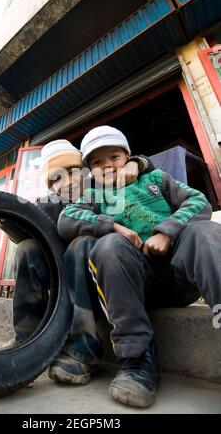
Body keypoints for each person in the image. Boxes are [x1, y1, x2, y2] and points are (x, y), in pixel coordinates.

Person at [57, 125, 221, 408]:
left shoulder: (156, 177)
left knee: (205, 231)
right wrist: (112, 227)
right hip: (133, 285)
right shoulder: (93, 194)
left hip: (178, 277)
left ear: (128, 156)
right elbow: (66, 220)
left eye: (114, 157)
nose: (107, 165)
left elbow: (198, 201)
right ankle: (138, 361)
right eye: (96, 162)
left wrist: (167, 231)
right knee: (107, 246)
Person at [0, 139, 154, 350]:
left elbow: (140, 169)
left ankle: (83, 345)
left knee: (82, 243)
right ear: (51, 185)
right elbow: (24, 233)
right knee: (26, 248)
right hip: (61, 274)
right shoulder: (45, 205)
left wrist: (137, 162)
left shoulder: (102, 187)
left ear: (87, 171)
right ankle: (26, 337)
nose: (68, 182)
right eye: (56, 178)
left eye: (73, 172)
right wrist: (7, 219)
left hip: (98, 273)